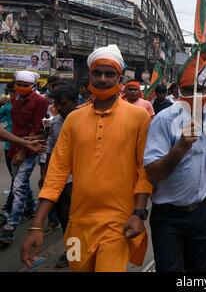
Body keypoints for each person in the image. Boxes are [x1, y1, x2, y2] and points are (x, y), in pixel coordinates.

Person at [21, 44, 152, 272]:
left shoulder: (139, 117)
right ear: (89, 75)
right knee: (76, 268)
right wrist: (36, 224)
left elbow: (144, 170)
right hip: (76, 226)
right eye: (97, 73)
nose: (103, 79)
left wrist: (139, 213)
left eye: (109, 74)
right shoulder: (74, 119)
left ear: (119, 78)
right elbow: (57, 172)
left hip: (118, 223)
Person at [144, 56, 206, 272]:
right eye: (189, 89)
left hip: (203, 212)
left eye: (202, 88)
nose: (196, 95)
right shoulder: (164, 120)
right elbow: (153, 174)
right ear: (177, 91)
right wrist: (180, 148)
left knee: (202, 269)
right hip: (169, 217)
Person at [0, 71, 49, 245]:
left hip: (31, 148)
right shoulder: (13, 99)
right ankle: (31, 207)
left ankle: (10, 227)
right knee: (18, 181)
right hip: (14, 146)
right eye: (18, 84)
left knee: (19, 184)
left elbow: (36, 129)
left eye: (25, 85)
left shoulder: (41, 101)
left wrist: (23, 150)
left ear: (33, 86)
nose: (20, 87)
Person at [38, 84, 78, 268]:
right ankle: (73, 253)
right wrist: (45, 173)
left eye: (63, 104)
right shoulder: (55, 122)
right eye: (57, 104)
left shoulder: (84, 120)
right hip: (61, 179)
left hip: (80, 180)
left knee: (75, 219)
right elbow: (51, 149)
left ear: (74, 102)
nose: (59, 108)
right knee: (65, 218)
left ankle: (77, 253)